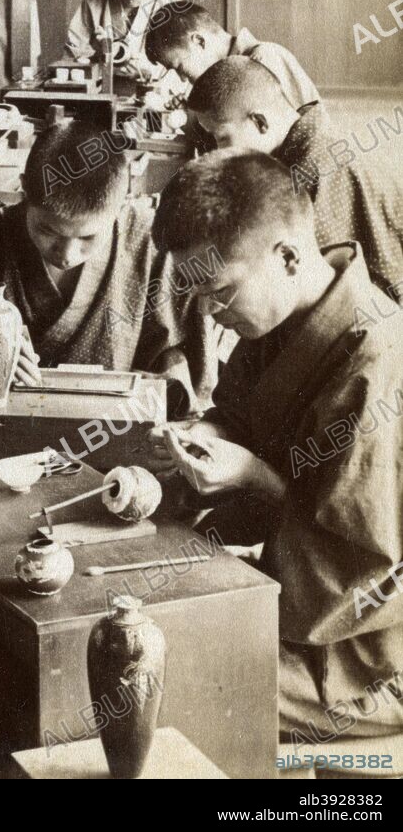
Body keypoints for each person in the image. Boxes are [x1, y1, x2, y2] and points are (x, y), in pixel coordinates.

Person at [149, 150, 403, 745]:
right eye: (193, 294)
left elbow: (356, 577)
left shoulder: (376, 366)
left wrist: (255, 479)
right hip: (303, 606)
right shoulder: (280, 318)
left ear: (288, 256)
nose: (208, 314)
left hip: (366, 657)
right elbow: (238, 415)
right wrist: (206, 438)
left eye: (220, 292)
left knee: (147, 676)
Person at [0, 121, 217, 414]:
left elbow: (182, 360)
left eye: (88, 237)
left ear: (122, 204)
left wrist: (169, 384)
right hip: (0, 419)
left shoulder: (150, 240)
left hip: (112, 426)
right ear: (24, 190)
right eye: (48, 231)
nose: (66, 254)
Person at [186, 56, 403, 301]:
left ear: (260, 121)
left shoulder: (316, 168)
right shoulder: (306, 139)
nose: (219, 151)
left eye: (222, 137)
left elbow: (315, 282)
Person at [144, 0, 320, 111]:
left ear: (199, 41)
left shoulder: (263, 60)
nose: (182, 79)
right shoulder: (227, 74)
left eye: (180, 67)